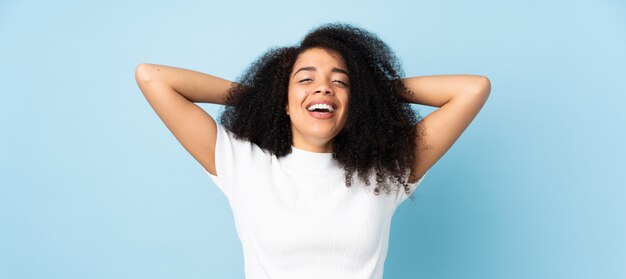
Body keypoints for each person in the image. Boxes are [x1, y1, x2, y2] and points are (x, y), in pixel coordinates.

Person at [135, 22, 490, 279]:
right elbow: (153, 77)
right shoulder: (244, 164)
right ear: (284, 100)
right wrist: (262, 97)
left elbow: (472, 90)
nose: (323, 88)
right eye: (305, 79)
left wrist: (372, 92)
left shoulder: (385, 171)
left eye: (340, 81)